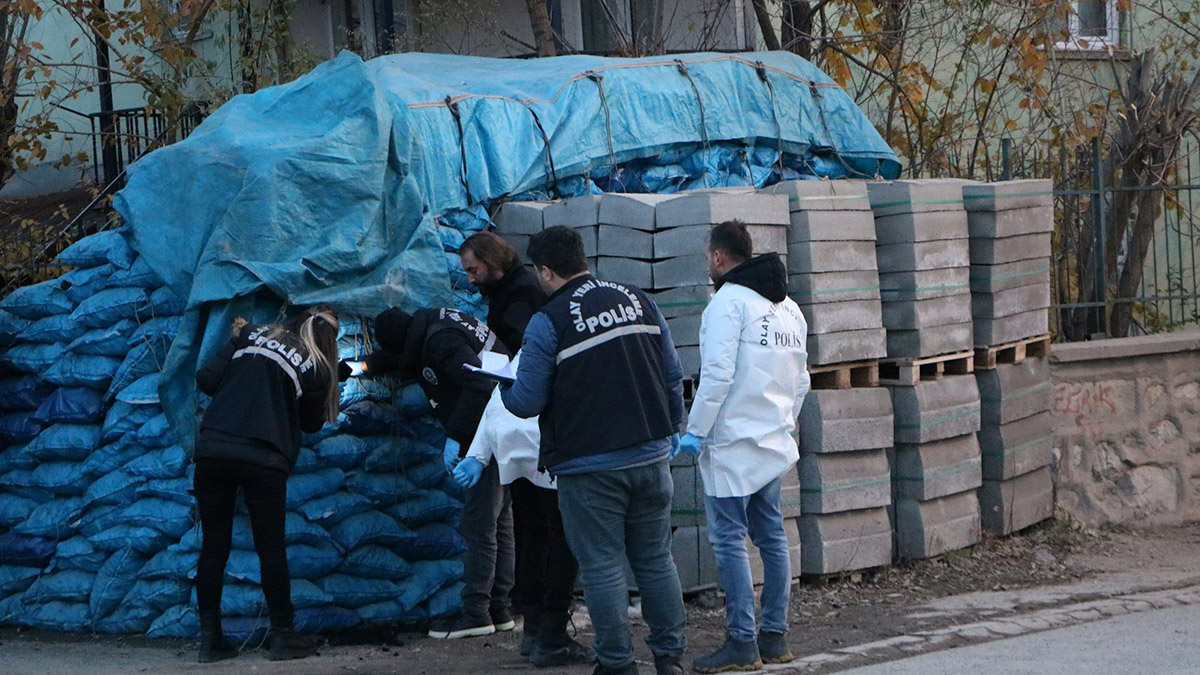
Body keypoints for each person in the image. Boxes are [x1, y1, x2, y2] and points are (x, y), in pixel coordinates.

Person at [501, 225, 688, 675]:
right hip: (650, 455)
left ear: (546, 271)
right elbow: (672, 375)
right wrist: (670, 432)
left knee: (602, 566)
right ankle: (670, 659)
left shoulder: (549, 320)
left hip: (589, 467)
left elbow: (526, 401)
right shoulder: (639, 300)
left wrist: (503, 388)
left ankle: (618, 663)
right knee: (656, 560)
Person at [676, 221, 810, 673]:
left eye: (707, 257)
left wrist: (696, 430)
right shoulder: (789, 308)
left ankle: (740, 641)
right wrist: (783, 423)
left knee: (729, 539)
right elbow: (802, 380)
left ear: (718, 257)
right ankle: (775, 636)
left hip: (732, 442)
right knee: (771, 536)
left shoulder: (727, 304)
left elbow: (716, 376)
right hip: (773, 441)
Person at [193, 305, 341, 663]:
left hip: (213, 449)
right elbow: (311, 424)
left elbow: (206, 380)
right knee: (270, 549)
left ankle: (210, 640)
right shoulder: (318, 365)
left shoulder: (251, 333)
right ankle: (282, 635)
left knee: (213, 548)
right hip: (265, 458)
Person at [361, 306, 516, 640]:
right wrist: (362, 367)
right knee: (499, 519)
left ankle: (477, 613)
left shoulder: (440, 342)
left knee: (478, 524)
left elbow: (479, 383)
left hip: (487, 432)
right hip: (502, 424)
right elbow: (403, 360)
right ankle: (499, 609)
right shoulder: (431, 326)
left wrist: (456, 437)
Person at [454, 352, 594, 667]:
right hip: (542, 438)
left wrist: (478, 455)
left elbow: (497, 394)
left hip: (508, 439)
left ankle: (533, 629)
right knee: (565, 536)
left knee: (534, 531)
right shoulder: (570, 336)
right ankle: (552, 635)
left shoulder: (531, 342)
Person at [458, 230, 547, 354]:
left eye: (473, 270)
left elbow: (517, 345)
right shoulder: (504, 289)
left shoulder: (523, 291)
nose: (470, 279)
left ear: (491, 261)